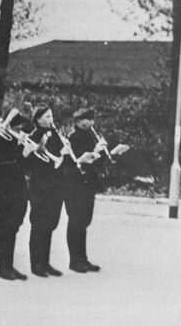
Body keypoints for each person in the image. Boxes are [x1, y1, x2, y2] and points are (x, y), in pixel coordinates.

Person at [27, 105, 70, 277]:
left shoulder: (54, 134)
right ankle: (36, 264)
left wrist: (65, 151)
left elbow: (61, 158)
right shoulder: (34, 136)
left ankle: (45, 262)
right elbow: (33, 162)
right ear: (37, 119)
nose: (50, 119)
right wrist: (58, 154)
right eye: (46, 117)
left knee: (51, 223)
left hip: (55, 185)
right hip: (40, 185)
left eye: (51, 116)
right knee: (39, 224)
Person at [0, 112, 31, 280]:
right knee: (4, 229)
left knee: (12, 229)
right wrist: (22, 154)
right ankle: (3, 268)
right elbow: (1, 166)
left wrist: (25, 152)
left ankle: (9, 266)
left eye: (21, 129)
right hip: (3, 191)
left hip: (18, 190)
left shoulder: (17, 142)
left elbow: (24, 168)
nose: (19, 132)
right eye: (16, 128)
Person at [66, 108, 107, 273]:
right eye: (86, 120)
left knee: (84, 221)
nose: (90, 123)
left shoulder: (90, 135)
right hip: (75, 184)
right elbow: (78, 160)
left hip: (89, 183)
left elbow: (97, 161)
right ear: (77, 121)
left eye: (91, 120)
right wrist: (95, 150)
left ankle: (83, 258)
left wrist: (103, 152)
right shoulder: (73, 137)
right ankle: (74, 260)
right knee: (76, 221)